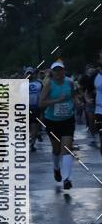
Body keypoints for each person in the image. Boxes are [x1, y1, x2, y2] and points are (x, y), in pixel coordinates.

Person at [39, 60, 76, 189]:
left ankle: (67, 179)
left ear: (64, 71)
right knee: (56, 149)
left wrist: (77, 102)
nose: (59, 72)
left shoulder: (70, 82)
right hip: (52, 121)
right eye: (56, 70)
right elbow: (41, 103)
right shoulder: (49, 85)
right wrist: (57, 100)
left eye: (60, 70)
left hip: (68, 120)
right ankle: (56, 168)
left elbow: (73, 96)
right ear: (52, 72)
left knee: (66, 148)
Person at [25, 67, 43, 151]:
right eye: (27, 73)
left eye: (30, 73)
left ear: (33, 74)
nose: (29, 75)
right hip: (25, 108)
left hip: (35, 107)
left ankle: (32, 143)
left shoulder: (39, 83)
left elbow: (43, 94)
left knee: (34, 125)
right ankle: (29, 140)